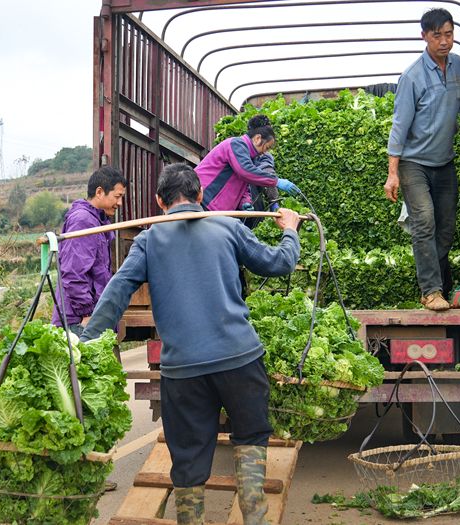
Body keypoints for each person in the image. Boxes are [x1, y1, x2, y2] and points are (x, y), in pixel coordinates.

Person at [80, 163, 301, 525]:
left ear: (158, 201)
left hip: (183, 372)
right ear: (201, 196)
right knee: (250, 439)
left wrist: (86, 344)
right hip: (240, 360)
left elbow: (116, 292)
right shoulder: (229, 227)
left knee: (188, 458)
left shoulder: (149, 240)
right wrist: (290, 230)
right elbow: (279, 264)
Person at [383, 7, 460, 311]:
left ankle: (442, 287)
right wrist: (393, 172)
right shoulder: (412, 77)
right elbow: (399, 125)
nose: (444, 41)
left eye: (449, 34)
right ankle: (430, 291)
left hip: (445, 162)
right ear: (424, 36)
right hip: (414, 164)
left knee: (446, 229)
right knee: (424, 222)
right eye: (437, 35)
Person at [51, 166, 126, 337]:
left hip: (92, 317)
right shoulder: (83, 221)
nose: (120, 203)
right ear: (100, 192)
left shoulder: (99, 221)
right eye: (117, 196)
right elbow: (73, 272)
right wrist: (87, 313)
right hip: (79, 321)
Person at [195, 114, 299, 212]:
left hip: (214, 208)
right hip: (202, 199)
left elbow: (244, 185)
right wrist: (276, 182)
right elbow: (244, 171)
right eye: (266, 147)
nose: (264, 152)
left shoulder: (250, 157)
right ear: (257, 138)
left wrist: (245, 203)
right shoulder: (237, 144)